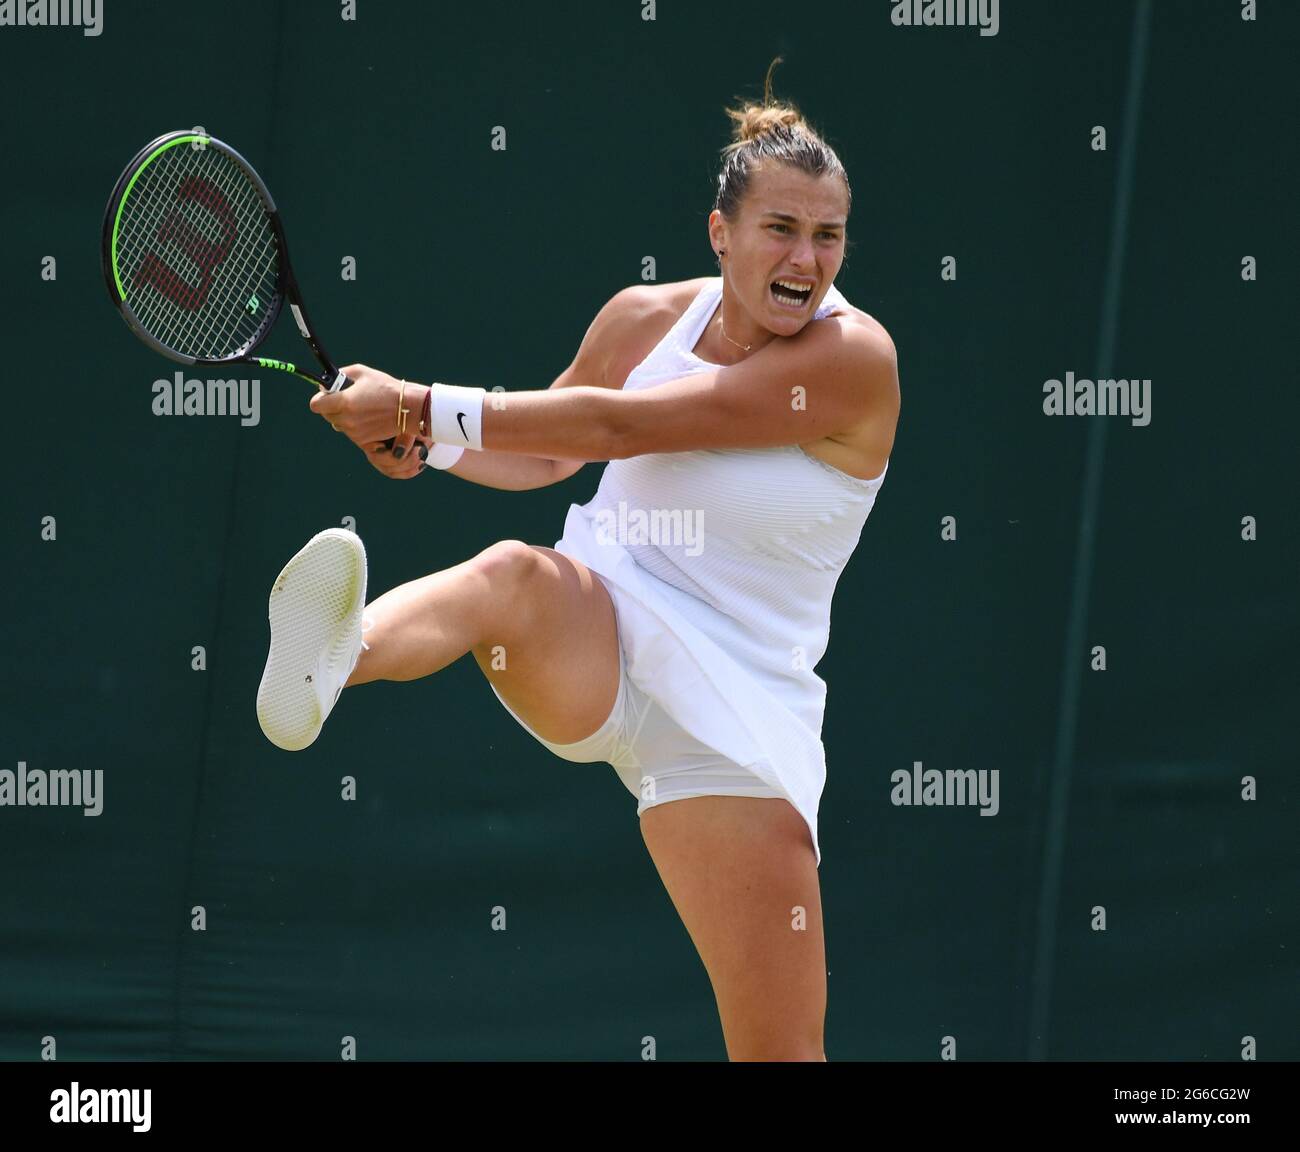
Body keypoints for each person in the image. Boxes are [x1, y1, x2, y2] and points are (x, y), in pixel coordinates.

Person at [256, 60, 899, 1061]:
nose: (807, 259)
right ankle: (332, 658)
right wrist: (434, 444)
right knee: (511, 576)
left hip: (739, 722)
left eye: (828, 235)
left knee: (780, 1054)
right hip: (597, 622)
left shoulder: (853, 363)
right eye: (781, 229)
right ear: (719, 233)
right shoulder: (642, 320)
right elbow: (555, 451)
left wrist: (420, 405)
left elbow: (624, 425)